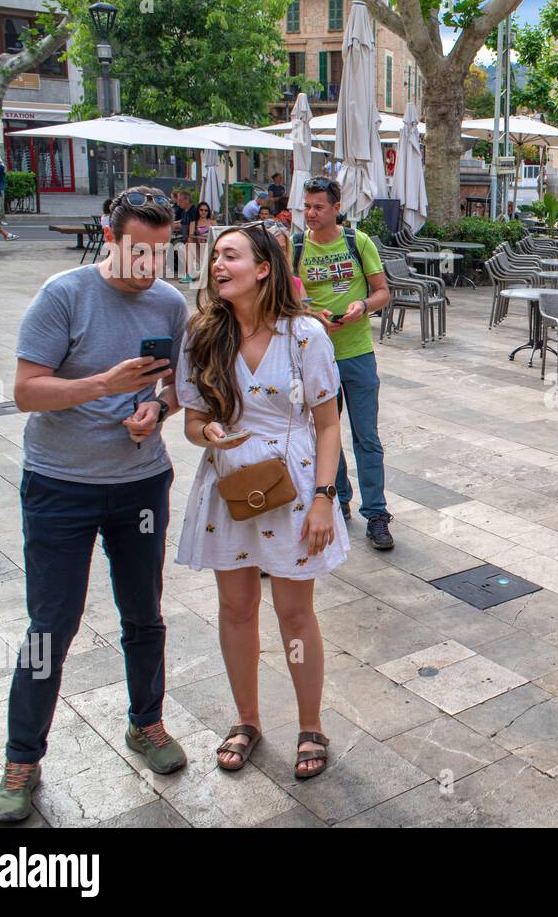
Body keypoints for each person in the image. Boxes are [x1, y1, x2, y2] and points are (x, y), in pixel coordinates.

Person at [0, 186, 190, 823]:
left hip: (139, 484)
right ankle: (23, 759)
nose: (149, 266)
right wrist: (102, 385)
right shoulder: (63, 294)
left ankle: (146, 722)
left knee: (144, 614)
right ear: (110, 235)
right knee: (50, 624)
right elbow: (25, 392)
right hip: (60, 484)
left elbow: (175, 388)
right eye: (138, 251)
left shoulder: (170, 302)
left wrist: (155, 408)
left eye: (161, 252)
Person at [175, 224, 347, 779]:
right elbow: (194, 423)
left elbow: (327, 423)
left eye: (231, 255)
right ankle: (246, 720)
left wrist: (325, 498)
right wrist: (210, 436)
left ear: (264, 268)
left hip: (295, 490)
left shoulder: (304, 336)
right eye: (215, 257)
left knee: (295, 613)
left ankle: (310, 724)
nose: (218, 265)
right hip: (229, 489)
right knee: (236, 608)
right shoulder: (204, 333)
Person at [292, 178, 395, 547]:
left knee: (367, 436)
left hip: (357, 354)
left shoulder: (357, 241)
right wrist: (308, 312)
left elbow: (383, 291)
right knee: (325, 434)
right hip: (316, 359)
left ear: (337, 208)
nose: (311, 213)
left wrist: (362, 306)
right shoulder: (296, 246)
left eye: (319, 206)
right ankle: (339, 500)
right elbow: (287, 300)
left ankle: (377, 513)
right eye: (307, 206)